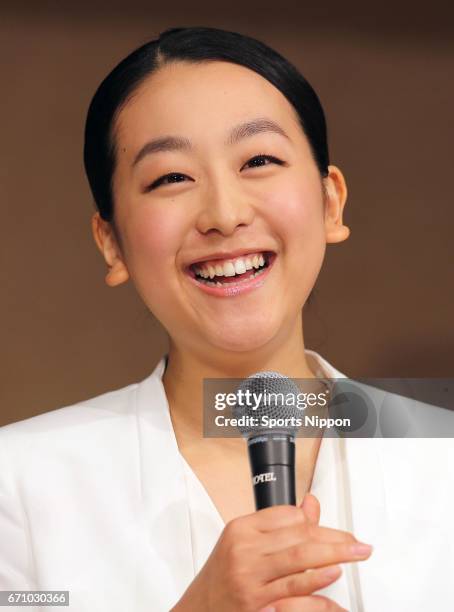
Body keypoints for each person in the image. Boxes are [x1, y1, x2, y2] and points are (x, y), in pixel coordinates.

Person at [0, 26, 453, 612]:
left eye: (259, 160)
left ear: (330, 203)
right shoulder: (21, 480)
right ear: (111, 242)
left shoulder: (442, 460)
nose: (223, 212)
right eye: (170, 177)